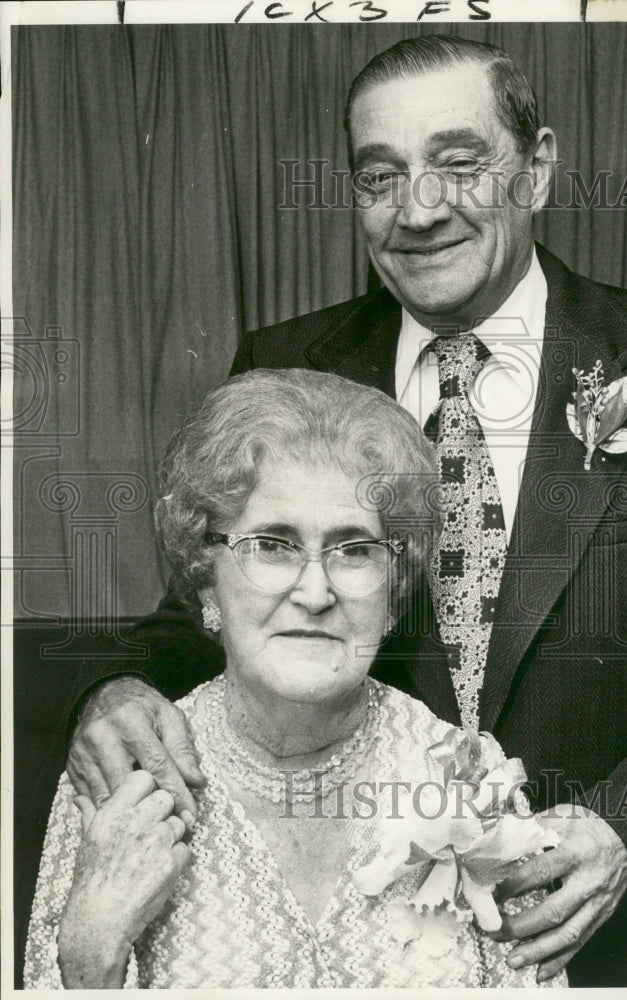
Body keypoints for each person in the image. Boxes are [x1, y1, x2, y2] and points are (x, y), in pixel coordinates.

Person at [64, 35, 627, 987]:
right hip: (358, 938)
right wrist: (115, 693)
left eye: (459, 164)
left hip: (602, 939)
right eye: (379, 176)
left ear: (539, 168)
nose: (419, 209)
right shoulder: (289, 365)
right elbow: (206, 607)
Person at [25, 368, 569, 989]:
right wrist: (92, 956)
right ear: (205, 575)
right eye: (272, 544)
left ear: (394, 593)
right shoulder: (125, 777)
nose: (315, 592)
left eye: (355, 550)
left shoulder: (469, 777)